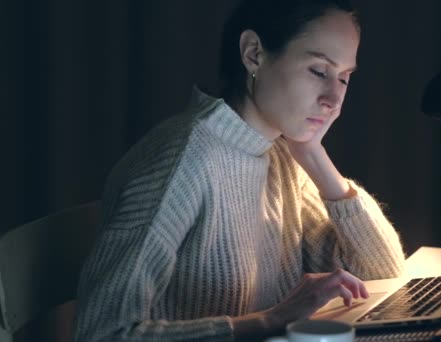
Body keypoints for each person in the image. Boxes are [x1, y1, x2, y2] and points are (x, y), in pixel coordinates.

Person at [74, 0, 407, 340]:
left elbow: (382, 276)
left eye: (344, 78)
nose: (333, 100)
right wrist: (269, 320)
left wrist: (312, 153)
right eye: (319, 71)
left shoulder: (278, 152)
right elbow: (103, 334)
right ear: (253, 54)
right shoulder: (182, 161)